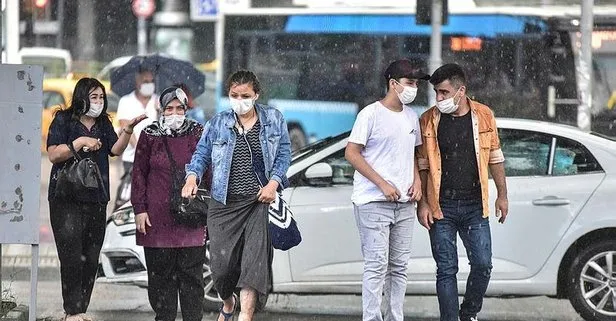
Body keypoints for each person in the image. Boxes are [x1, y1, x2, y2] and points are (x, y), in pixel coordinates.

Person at [182, 70, 291, 321]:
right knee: (221, 270)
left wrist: (273, 183)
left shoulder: (273, 119)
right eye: (234, 95)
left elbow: (284, 153)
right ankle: (228, 302)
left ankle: (245, 317)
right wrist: (191, 178)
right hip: (223, 204)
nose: (239, 100)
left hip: (258, 202)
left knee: (253, 267)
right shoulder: (218, 122)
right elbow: (200, 155)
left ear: (257, 95)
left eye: (245, 95)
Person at [46, 78, 146, 321]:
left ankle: (80, 309)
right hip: (65, 198)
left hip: (96, 198)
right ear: (82, 97)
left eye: (101, 97)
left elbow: (115, 150)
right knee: (70, 255)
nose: (99, 102)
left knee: (91, 256)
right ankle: (72, 310)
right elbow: (53, 154)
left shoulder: (103, 123)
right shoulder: (64, 120)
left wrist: (128, 129)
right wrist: (79, 143)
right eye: (94, 97)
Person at [416, 63, 509, 321]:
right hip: (440, 205)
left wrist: (502, 195)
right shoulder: (428, 120)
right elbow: (422, 165)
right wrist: (423, 203)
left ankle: (468, 314)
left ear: (461, 91)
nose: (439, 98)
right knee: (446, 269)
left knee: (482, 264)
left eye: (444, 92)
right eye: (437, 92)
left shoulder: (484, 115)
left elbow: (495, 157)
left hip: (474, 205)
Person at [344, 59, 428, 321]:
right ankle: (372, 318)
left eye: (416, 83)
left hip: (404, 204)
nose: (414, 88)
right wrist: (381, 183)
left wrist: (418, 182)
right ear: (393, 84)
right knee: (377, 265)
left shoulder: (411, 116)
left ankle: (395, 317)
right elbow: (352, 153)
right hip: (372, 202)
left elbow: (412, 155)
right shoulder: (370, 114)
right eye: (409, 83)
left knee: (399, 267)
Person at [131, 86, 206, 321]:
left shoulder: (198, 132)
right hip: (157, 220)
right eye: (169, 108)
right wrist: (139, 209)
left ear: (186, 109)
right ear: (161, 109)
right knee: (160, 280)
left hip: (191, 218)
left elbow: (209, 170)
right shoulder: (150, 134)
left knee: (192, 280)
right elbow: (139, 174)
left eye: (179, 108)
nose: (174, 113)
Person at [116, 67, 159, 174]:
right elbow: (126, 127)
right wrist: (139, 150)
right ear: (137, 83)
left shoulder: (159, 100)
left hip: (155, 160)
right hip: (132, 158)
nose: (149, 84)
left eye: (152, 81)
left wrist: (160, 111)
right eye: (145, 81)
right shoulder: (126, 101)